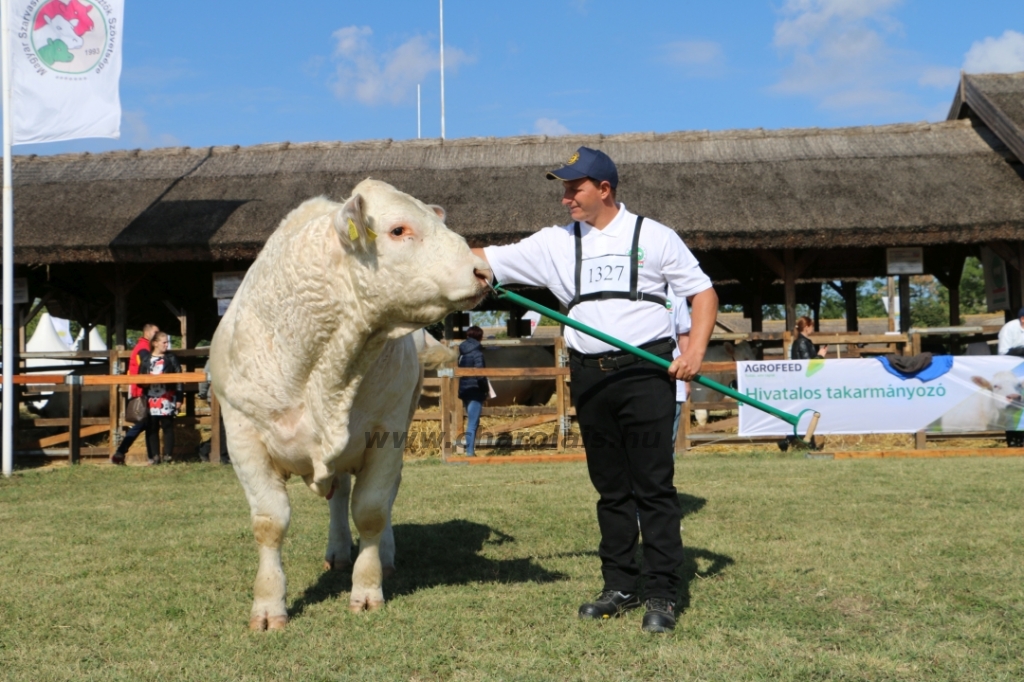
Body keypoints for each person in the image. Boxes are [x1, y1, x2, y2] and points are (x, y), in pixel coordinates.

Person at [472, 146, 718, 634]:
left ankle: (663, 592)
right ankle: (620, 586)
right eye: (564, 189)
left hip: (646, 374)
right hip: (589, 375)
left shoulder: (655, 236)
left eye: (574, 188)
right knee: (610, 488)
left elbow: (703, 292)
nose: (566, 198)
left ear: (604, 189)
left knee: (653, 486)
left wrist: (694, 354)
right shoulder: (553, 243)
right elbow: (483, 260)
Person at [110, 323, 159, 465]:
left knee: (148, 424)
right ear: (148, 333)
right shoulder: (143, 349)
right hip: (142, 391)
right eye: (155, 332)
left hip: (142, 390)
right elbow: (146, 366)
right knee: (143, 423)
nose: (157, 334)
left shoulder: (143, 347)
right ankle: (120, 453)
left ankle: (151, 457)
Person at [138, 331, 183, 464]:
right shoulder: (146, 360)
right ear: (155, 343)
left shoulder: (171, 358)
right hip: (150, 397)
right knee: (151, 427)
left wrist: (179, 398)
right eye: (164, 342)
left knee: (167, 426)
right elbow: (139, 379)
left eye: (167, 342)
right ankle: (154, 456)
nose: (166, 345)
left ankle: (168, 456)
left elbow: (179, 379)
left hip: (167, 397)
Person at [457, 326, 488, 456]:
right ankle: (470, 452)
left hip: (464, 389)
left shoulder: (462, 353)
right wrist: (485, 389)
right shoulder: (477, 353)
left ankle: (469, 450)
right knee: (473, 422)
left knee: (471, 420)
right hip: (475, 389)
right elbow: (480, 374)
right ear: (479, 337)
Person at [997, 307, 1024, 447]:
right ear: (1023, 319)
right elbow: (1003, 353)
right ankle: (1013, 440)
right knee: (1011, 407)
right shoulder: (1009, 328)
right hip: (1011, 373)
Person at [670, 298, 692, 452]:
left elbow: (684, 335)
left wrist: (686, 380)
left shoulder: (674, 290)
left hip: (670, 380)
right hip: (622, 379)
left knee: (665, 445)